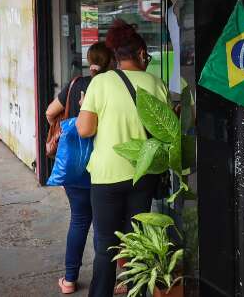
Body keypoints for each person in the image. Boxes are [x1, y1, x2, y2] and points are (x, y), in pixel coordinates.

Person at [76, 19, 169, 297]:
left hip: (107, 176)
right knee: (136, 244)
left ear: (116, 56)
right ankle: (136, 292)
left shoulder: (100, 83)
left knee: (105, 246)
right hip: (143, 175)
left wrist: (87, 110)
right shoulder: (156, 83)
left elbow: (84, 129)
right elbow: (165, 133)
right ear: (141, 54)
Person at [45, 42, 114, 295]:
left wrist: (62, 125)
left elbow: (50, 112)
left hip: (73, 166)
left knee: (79, 220)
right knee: (103, 224)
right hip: (103, 165)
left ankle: (70, 279)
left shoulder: (75, 85)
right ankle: (105, 281)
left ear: (89, 60)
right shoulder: (111, 87)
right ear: (112, 62)